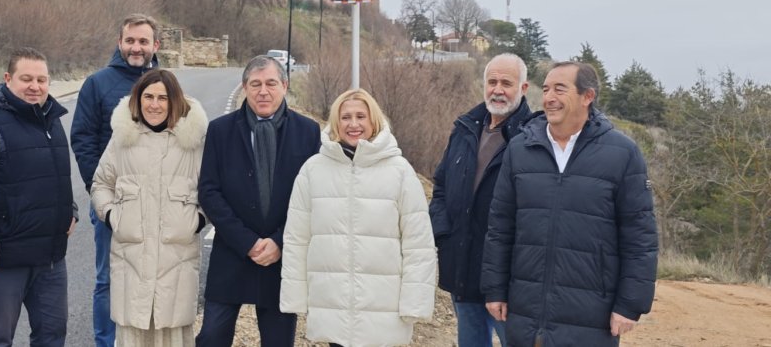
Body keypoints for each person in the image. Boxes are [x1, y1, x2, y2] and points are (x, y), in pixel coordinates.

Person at [481, 61, 658, 346]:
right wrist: (495, 289)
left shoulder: (622, 153)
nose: (548, 97)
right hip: (526, 313)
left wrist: (629, 304)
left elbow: (640, 237)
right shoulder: (520, 149)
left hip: (591, 315)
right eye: (547, 89)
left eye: (560, 89)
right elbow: (501, 226)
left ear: (587, 96)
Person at [281, 88, 436, 347]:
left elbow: (418, 244)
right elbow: (297, 239)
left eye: (361, 116)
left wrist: (415, 303)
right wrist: (296, 297)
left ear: (373, 120)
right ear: (335, 123)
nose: (353, 124)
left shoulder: (400, 171)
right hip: (333, 307)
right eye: (345, 117)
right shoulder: (312, 170)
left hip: (383, 310)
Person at [0, 48, 79, 347]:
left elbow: (55, 175)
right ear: (8, 79)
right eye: (27, 79)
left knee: (52, 336)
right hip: (1, 259)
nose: (35, 86)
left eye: (42, 79)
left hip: (49, 257)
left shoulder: (51, 119)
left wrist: (69, 210)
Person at [196, 56, 321, 347]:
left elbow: (313, 196)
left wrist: (279, 241)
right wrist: (247, 242)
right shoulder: (220, 130)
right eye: (255, 84)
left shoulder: (308, 132)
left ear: (285, 86)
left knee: (278, 341)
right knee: (212, 336)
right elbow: (209, 191)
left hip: (282, 257)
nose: (263, 91)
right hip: (233, 252)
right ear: (245, 88)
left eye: (270, 83)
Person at [91, 70, 209, 347]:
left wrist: (198, 221)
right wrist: (111, 216)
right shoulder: (122, 140)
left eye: (162, 98)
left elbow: (213, 191)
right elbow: (101, 184)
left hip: (176, 263)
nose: (154, 104)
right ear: (138, 100)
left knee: (174, 335)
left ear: (174, 101)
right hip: (132, 262)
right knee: (133, 333)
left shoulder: (193, 146)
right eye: (148, 97)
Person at [429, 53, 532, 347]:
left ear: (523, 89)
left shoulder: (532, 136)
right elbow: (441, 187)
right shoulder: (465, 129)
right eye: (492, 82)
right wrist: (443, 232)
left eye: (506, 83)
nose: (498, 90)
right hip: (462, 267)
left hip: (508, 277)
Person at [71, 13, 161, 347]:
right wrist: (101, 194)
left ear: (155, 45)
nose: (136, 47)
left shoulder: (165, 83)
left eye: (143, 41)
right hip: (112, 205)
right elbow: (82, 139)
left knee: (152, 280)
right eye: (130, 40)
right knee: (108, 281)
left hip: (157, 207)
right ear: (119, 42)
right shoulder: (98, 83)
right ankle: (107, 343)